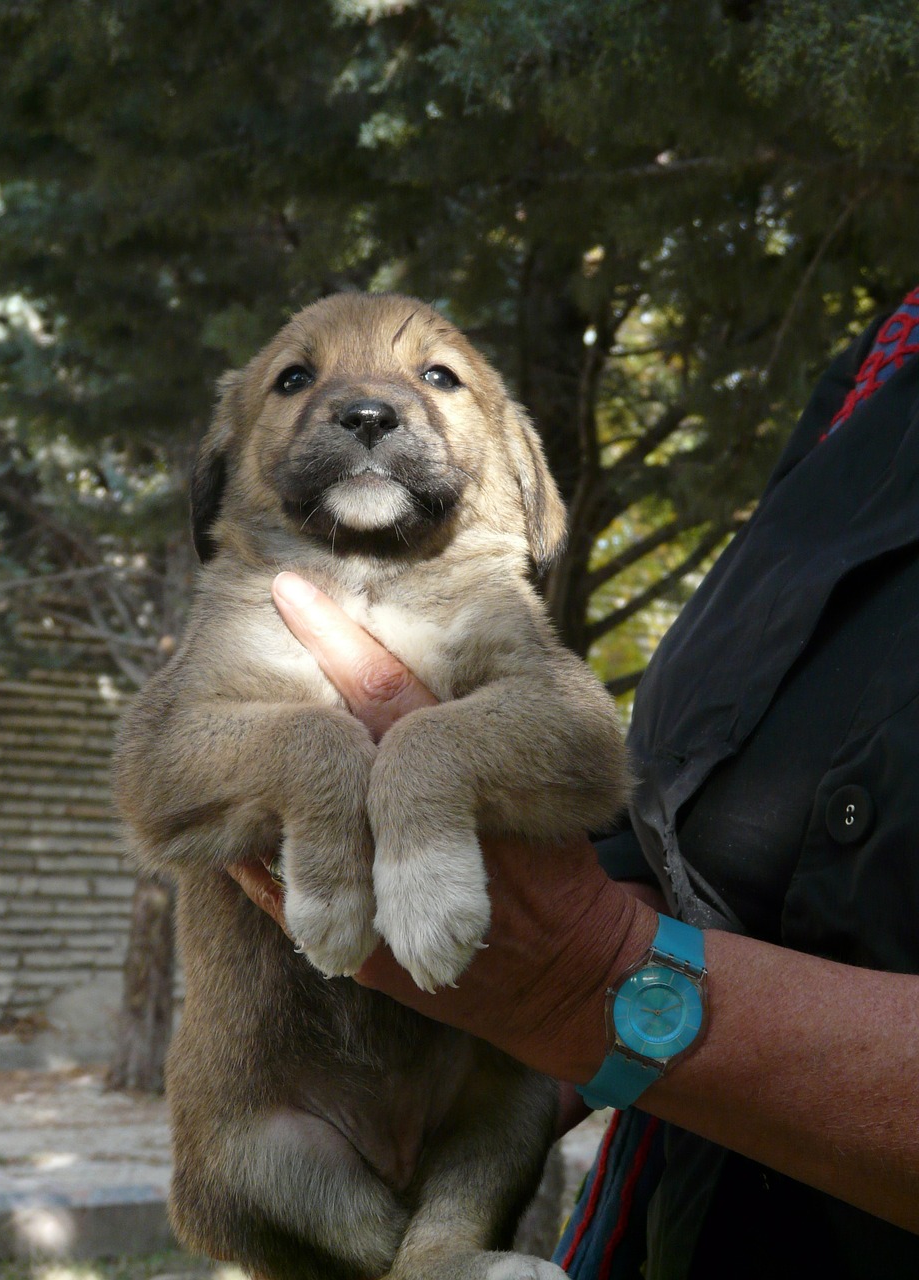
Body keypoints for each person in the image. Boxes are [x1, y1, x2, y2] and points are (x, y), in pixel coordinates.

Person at [228, 291, 919, 1278]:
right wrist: (433, 1066)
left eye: (437, 380)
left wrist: (589, 983)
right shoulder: (885, 358)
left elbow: (589, 907)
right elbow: (678, 838)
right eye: (297, 381)